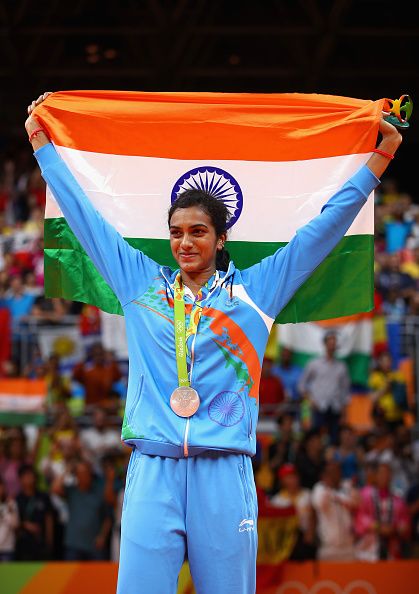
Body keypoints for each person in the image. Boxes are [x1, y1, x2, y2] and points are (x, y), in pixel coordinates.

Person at [26, 92, 402, 594]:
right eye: (177, 233)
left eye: (199, 232)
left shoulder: (257, 291)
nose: (185, 242)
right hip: (153, 468)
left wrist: (379, 158)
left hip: (224, 471)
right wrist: (40, 143)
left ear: (221, 239)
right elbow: (84, 215)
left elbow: (324, 228)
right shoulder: (139, 283)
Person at [298, 330, 350, 445]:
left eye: (334, 342)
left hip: (335, 408)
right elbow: (302, 385)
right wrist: (310, 400)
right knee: (315, 437)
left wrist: (344, 412)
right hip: (318, 407)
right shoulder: (314, 364)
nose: (332, 344)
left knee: (334, 439)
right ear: (325, 344)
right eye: (330, 341)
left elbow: (345, 391)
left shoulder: (341, 367)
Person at [354, 461, 410, 561]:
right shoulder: (365, 494)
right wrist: (379, 527)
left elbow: (405, 524)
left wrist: (395, 528)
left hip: (392, 548)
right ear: (375, 476)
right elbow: (360, 518)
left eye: (388, 473)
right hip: (369, 550)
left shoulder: (398, 499)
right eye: (381, 473)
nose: (385, 476)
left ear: (391, 476)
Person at [312, 460, 359, 561]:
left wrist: (337, 497)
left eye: (337, 471)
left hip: (348, 545)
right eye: (331, 472)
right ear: (325, 474)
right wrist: (328, 489)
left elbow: (355, 503)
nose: (334, 475)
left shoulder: (347, 486)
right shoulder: (319, 488)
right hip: (328, 547)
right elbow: (321, 504)